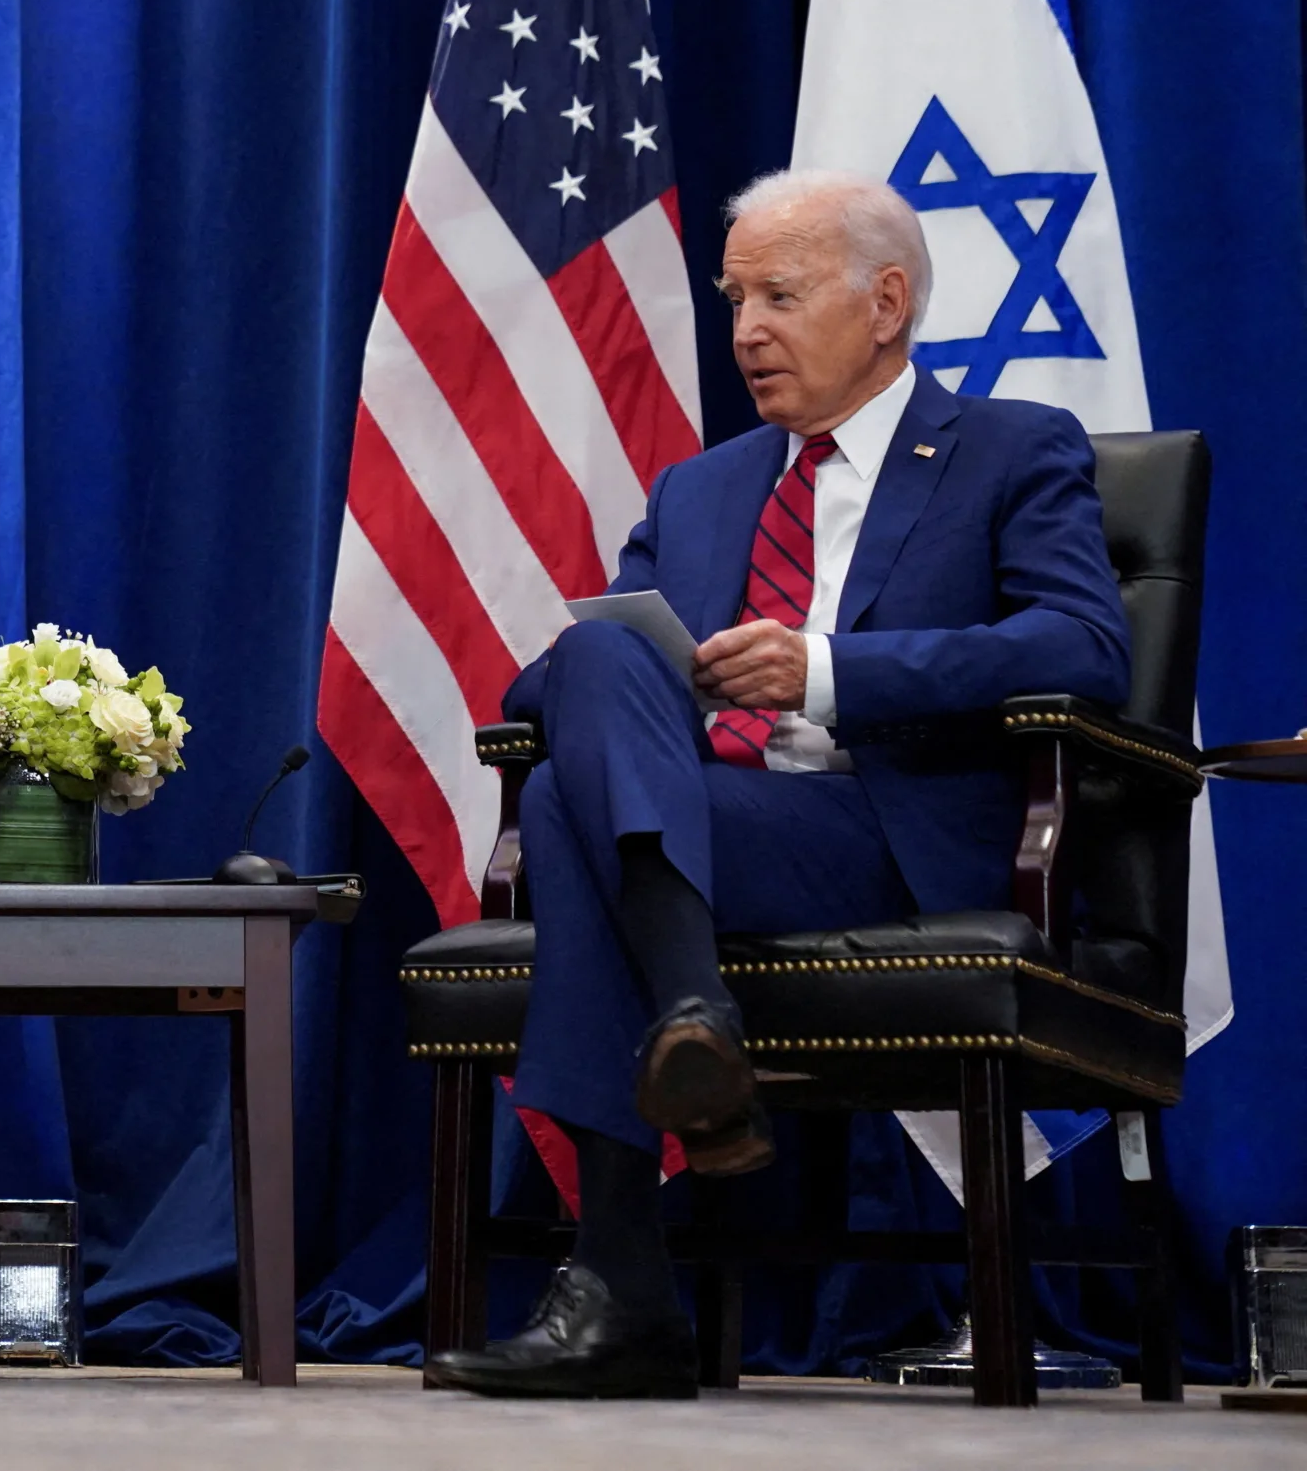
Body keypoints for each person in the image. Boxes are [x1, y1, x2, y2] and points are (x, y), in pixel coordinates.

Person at [425, 170, 1130, 1400]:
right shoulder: (700, 488)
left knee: (565, 815)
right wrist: (651, 689)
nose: (744, 328)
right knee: (581, 714)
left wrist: (825, 672)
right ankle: (694, 1026)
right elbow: (549, 691)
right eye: (734, 297)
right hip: (720, 820)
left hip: (887, 829)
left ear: (885, 303)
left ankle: (626, 1285)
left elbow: (1083, 645)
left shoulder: (1010, 450)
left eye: (779, 295)